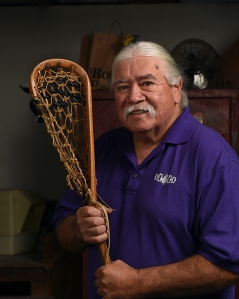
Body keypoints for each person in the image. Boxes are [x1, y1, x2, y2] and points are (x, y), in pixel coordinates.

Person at [53, 41, 239, 299]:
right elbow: (63, 223)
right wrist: (77, 229)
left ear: (176, 89)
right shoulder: (101, 150)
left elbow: (227, 264)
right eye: (122, 87)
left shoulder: (213, 157)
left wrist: (139, 282)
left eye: (147, 83)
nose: (134, 96)